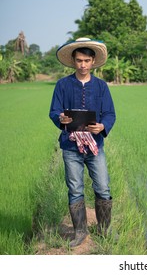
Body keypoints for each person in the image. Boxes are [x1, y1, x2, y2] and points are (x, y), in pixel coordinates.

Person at [49, 37, 116, 248]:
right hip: (71, 147)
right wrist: (61, 118)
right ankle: (80, 232)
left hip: (95, 146)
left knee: (103, 187)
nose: (83, 64)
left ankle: (104, 229)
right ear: (73, 61)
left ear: (94, 61)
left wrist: (103, 126)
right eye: (79, 60)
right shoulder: (62, 85)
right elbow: (54, 111)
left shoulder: (102, 86)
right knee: (75, 188)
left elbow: (110, 113)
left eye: (87, 60)